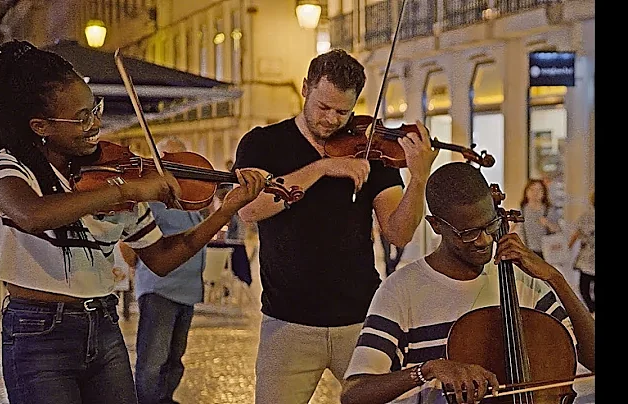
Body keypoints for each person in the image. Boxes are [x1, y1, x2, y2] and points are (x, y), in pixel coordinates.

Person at [0, 40, 265, 404]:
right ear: (41, 126)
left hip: (103, 324)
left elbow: (162, 257)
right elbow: (32, 215)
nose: (96, 124)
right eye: (82, 117)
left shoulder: (117, 170)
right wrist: (124, 190)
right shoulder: (6, 166)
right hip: (38, 332)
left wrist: (225, 210)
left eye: (94, 110)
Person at [232, 48, 439, 403]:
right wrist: (322, 169)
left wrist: (418, 179)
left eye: (342, 112)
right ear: (305, 89)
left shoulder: (369, 148)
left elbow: (398, 232)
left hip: (361, 321)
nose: (330, 119)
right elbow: (249, 208)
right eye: (322, 107)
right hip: (287, 323)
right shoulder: (264, 143)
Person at [340, 162, 595, 404]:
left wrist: (555, 278)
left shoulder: (523, 284)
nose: (484, 240)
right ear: (436, 225)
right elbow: (354, 394)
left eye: (490, 225)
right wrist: (427, 370)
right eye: (468, 232)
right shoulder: (400, 290)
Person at [131, 136, 209, 404]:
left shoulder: (188, 199)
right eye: (175, 161)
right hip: (159, 289)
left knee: (175, 357)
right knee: (153, 358)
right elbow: (132, 241)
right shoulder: (153, 199)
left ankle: (165, 399)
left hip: (187, 291)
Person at [512, 178, 562, 258]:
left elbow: (558, 230)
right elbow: (514, 228)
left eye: (539, 190)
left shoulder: (549, 210)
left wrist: (547, 223)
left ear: (544, 193)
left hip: (546, 252)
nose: (535, 193)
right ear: (526, 192)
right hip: (526, 251)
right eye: (532, 189)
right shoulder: (521, 210)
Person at [569, 190, 595, 314]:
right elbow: (577, 233)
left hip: (588, 257)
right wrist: (567, 248)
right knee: (584, 287)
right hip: (587, 257)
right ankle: (592, 309)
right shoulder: (587, 216)